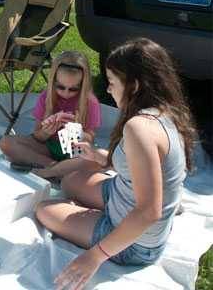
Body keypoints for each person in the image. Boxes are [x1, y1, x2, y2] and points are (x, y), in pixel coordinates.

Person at [35, 38, 196, 290]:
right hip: (122, 194)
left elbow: (148, 212)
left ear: (135, 85)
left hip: (137, 245)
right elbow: (140, 161)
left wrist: (95, 256)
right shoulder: (165, 111)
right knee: (69, 181)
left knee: (44, 209)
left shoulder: (139, 127)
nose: (108, 89)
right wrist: (100, 157)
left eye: (111, 82)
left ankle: (100, 227)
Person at [0, 50, 101, 179]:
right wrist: (46, 132)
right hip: (49, 149)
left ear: (83, 85)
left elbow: (90, 139)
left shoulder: (89, 102)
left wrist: (75, 131)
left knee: (95, 160)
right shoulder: (46, 97)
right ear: (53, 82)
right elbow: (37, 136)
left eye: (73, 89)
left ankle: (55, 170)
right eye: (60, 87)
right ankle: (55, 168)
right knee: (6, 142)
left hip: (74, 153)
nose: (66, 93)